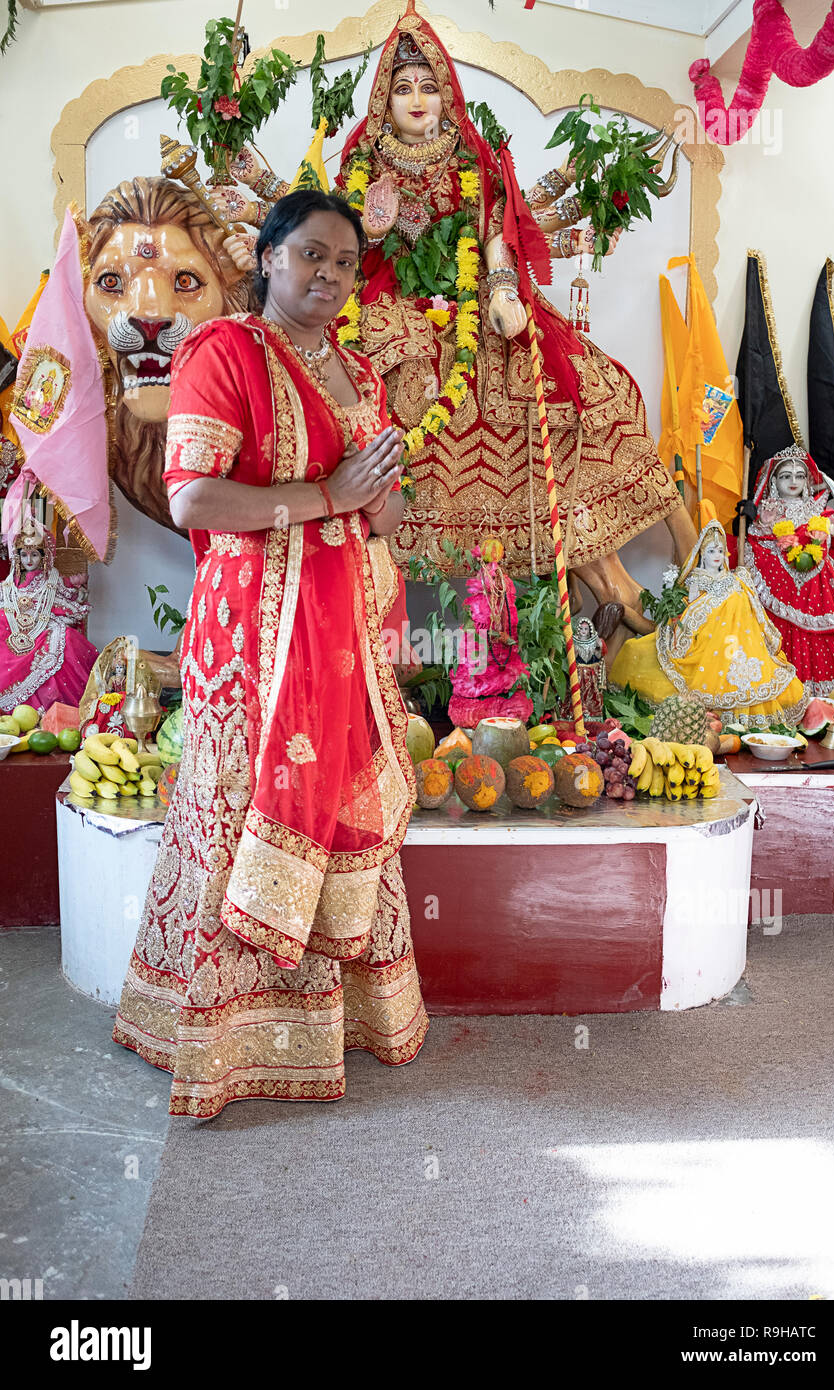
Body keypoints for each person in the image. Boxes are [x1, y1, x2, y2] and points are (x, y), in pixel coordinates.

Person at [214, 0, 695, 633]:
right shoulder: (361, 167)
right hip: (387, 309)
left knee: (567, 382)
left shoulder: (472, 161)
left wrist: (500, 290)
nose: (417, 99)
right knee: (391, 371)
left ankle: (631, 569)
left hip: (469, 304)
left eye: (429, 87)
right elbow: (343, 252)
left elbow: (496, 231)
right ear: (383, 100)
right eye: (403, 87)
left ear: (448, 96)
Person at [112, 190, 429, 1117]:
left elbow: (390, 519)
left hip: (345, 646)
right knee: (235, 825)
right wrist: (329, 494)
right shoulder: (224, 352)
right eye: (310, 256)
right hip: (252, 646)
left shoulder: (361, 376)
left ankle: (336, 1026)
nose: (328, 276)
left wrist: (373, 499)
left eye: (343, 264)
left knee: (337, 816)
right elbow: (195, 502)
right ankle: (221, 1044)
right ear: (267, 256)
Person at [609, 519, 807, 729]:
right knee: (640, 651)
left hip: (738, 642)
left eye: (720, 551)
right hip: (704, 641)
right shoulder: (695, 579)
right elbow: (690, 609)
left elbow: (750, 613)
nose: (716, 556)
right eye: (712, 551)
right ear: (702, 553)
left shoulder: (736, 578)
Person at [733, 444, 834, 698]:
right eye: (785, 476)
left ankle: (824, 695)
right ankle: (784, 692)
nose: (793, 481)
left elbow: (825, 530)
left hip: (817, 578)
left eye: (799, 476)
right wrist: (751, 517)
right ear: (773, 481)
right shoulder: (769, 509)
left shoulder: (816, 507)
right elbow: (758, 538)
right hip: (777, 576)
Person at [0, 513, 97, 714]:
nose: (29, 560)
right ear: (17, 556)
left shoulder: (52, 581)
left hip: (43, 630)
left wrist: (78, 589)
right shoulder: (7, 586)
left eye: (34, 554)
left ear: (44, 556)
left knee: (66, 637)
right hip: (11, 632)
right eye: (24, 555)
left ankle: (56, 711)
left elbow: (69, 598)